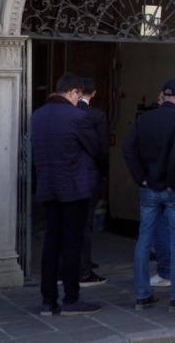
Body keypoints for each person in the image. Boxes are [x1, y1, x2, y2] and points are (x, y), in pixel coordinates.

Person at [29, 72, 104, 316]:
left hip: (48, 187)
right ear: (73, 92)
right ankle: (72, 299)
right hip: (74, 188)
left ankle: (48, 300)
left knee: (51, 244)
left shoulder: (37, 116)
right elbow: (95, 149)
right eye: (77, 96)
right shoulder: (77, 117)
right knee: (72, 244)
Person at [123, 78, 175, 311]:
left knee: (144, 240)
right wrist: (172, 182)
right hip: (172, 190)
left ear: (163, 96)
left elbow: (128, 149)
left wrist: (141, 177)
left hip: (148, 188)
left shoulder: (144, 119)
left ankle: (142, 295)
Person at [77, 77, 109, 287]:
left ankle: (75, 264)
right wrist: (104, 174)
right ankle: (83, 270)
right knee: (85, 225)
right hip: (89, 178)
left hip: (67, 179)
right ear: (94, 93)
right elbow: (102, 150)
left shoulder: (65, 113)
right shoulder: (97, 115)